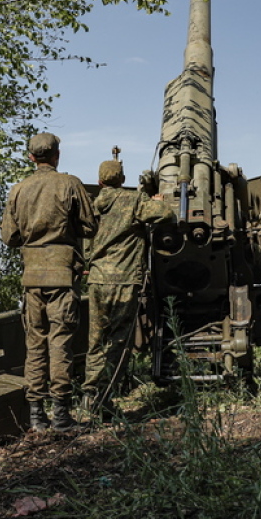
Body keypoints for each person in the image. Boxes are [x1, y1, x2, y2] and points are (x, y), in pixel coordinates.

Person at [0, 132, 97, 433]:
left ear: (31, 157)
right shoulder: (70, 184)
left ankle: (36, 416)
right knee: (60, 342)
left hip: (32, 277)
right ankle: (62, 416)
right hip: (62, 275)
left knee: (35, 344)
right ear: (57, 155)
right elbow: (90, 226)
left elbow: (9, 237)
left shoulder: (18, 190)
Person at [82, 157, 173, 419]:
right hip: (123, 281)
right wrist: (158, 202)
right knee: (119, 342)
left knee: (96, 341)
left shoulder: (93, 205)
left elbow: (86, 245)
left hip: (97, 280)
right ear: (122, 179)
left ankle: (89, 395)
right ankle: (103, 401)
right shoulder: (133, 200)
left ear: (100, 181)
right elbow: (166, 215)